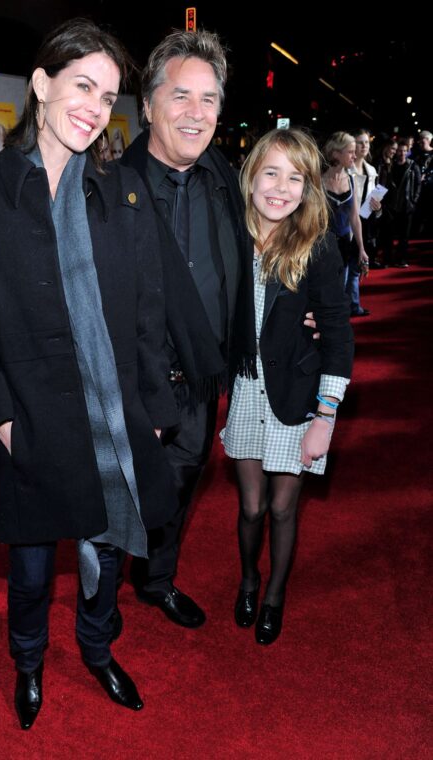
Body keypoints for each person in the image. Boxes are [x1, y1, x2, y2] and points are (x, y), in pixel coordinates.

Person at [0, 29, 318, 634]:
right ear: (146, 106)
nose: (196, 114)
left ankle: (157, 582)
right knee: (111, 508)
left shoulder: (227, 179)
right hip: (123, 388)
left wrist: (301, 308)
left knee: (172, 500)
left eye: (208, 100)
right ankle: (106, 605)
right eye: (180, 96)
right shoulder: (111, 184)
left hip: (199, 383)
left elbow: (279, 241)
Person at [0, 18, 179, 729]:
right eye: (83, 85)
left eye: (108, 96)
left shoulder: (120, 197)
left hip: (109, 419)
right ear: (41, 85)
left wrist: (153, 410)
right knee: (33, 570)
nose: (95, 106)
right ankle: (28, 663)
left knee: (105, 555)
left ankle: (98, 650)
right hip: (29, 419)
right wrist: (4, 419)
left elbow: (145, 317)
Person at [221, 128, 354, 646]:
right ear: (251, 175)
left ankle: (274, 594)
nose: (280, 187)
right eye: (271, 172)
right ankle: (249, 578)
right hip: (245, 391)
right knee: (251, 507)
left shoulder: (317, 246)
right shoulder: (228, 233)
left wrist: (326, 417)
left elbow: (338, 335)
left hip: (297, 400)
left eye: (295, 177)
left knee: (282, 508)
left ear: (308, 187)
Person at [323, 131, 370, 317]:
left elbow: (354, 217)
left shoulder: (352, 180)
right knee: (325, 292)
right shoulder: (318, 181)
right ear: (336, 154)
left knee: (341, 290)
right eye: (350, 151)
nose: (355, 155)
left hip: (344, 244)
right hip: (322, 246)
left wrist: (361, 248)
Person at [379, 139, 421, 267]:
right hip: (391, 206)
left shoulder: (413, 166)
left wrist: (413, 201)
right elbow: (383, 184)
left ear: (407, 151)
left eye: (404, 151)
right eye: (399, 151)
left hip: (406, 206)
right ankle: (387, 259)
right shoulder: (390, 166)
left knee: (404, 237)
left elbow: (418, 186)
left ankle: (401, 259)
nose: (402, 153)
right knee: (388, 235)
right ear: (396, 152)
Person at [352, 129, 382, 269]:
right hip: (347, 226)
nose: (364, 146)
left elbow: (373, 199)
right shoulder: (345, 169)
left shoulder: (372, 170)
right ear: (353, 145)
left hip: (365, 225)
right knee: (345, 273)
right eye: (360, 142)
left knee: (356, 273)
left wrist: (378, 207)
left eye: (366, 142)